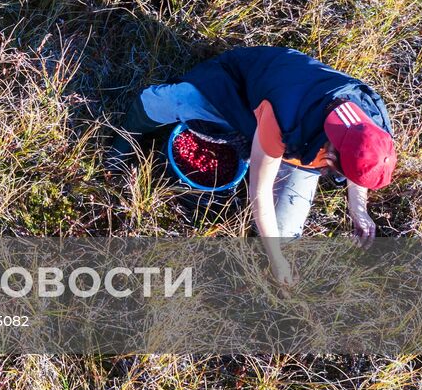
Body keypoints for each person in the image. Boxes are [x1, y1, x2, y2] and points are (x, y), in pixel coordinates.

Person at [113, 46, 396, 284]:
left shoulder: (377, 126)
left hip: (298, 140)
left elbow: (362, 160)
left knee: (282, 234)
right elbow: (259, 193)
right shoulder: (284, 115)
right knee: (174, 101)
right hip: (238, 87)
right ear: (332, 156)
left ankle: (254, 152)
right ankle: (130, 130)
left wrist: (358, 209)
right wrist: (276, 260)